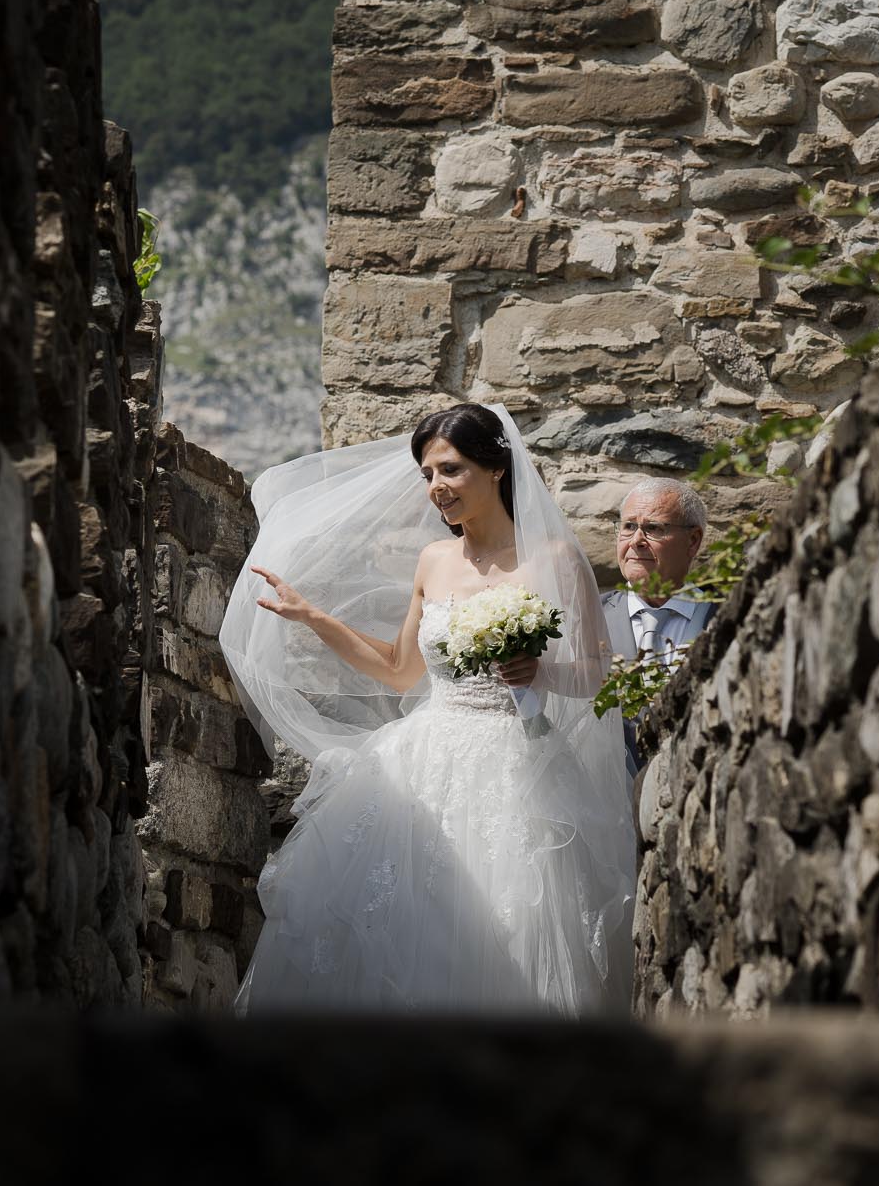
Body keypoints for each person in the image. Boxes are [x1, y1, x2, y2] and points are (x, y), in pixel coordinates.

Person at [218, 404, 635, 1016]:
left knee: (519, 926)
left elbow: (598, 672)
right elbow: (399, 669)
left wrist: (540, 670)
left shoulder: (555, 558)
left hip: (522, 765)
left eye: (451, 469)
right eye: (427, 474)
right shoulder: (434, 561)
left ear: (496, 467)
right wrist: (313, 618)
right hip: (428, 756)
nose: (436, 487)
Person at [601, 479, 712, 776]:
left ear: (693, 541)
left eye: (654, 528)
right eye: (628, 527)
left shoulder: (723, 622)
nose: (636, 540)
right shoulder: (588, 619)